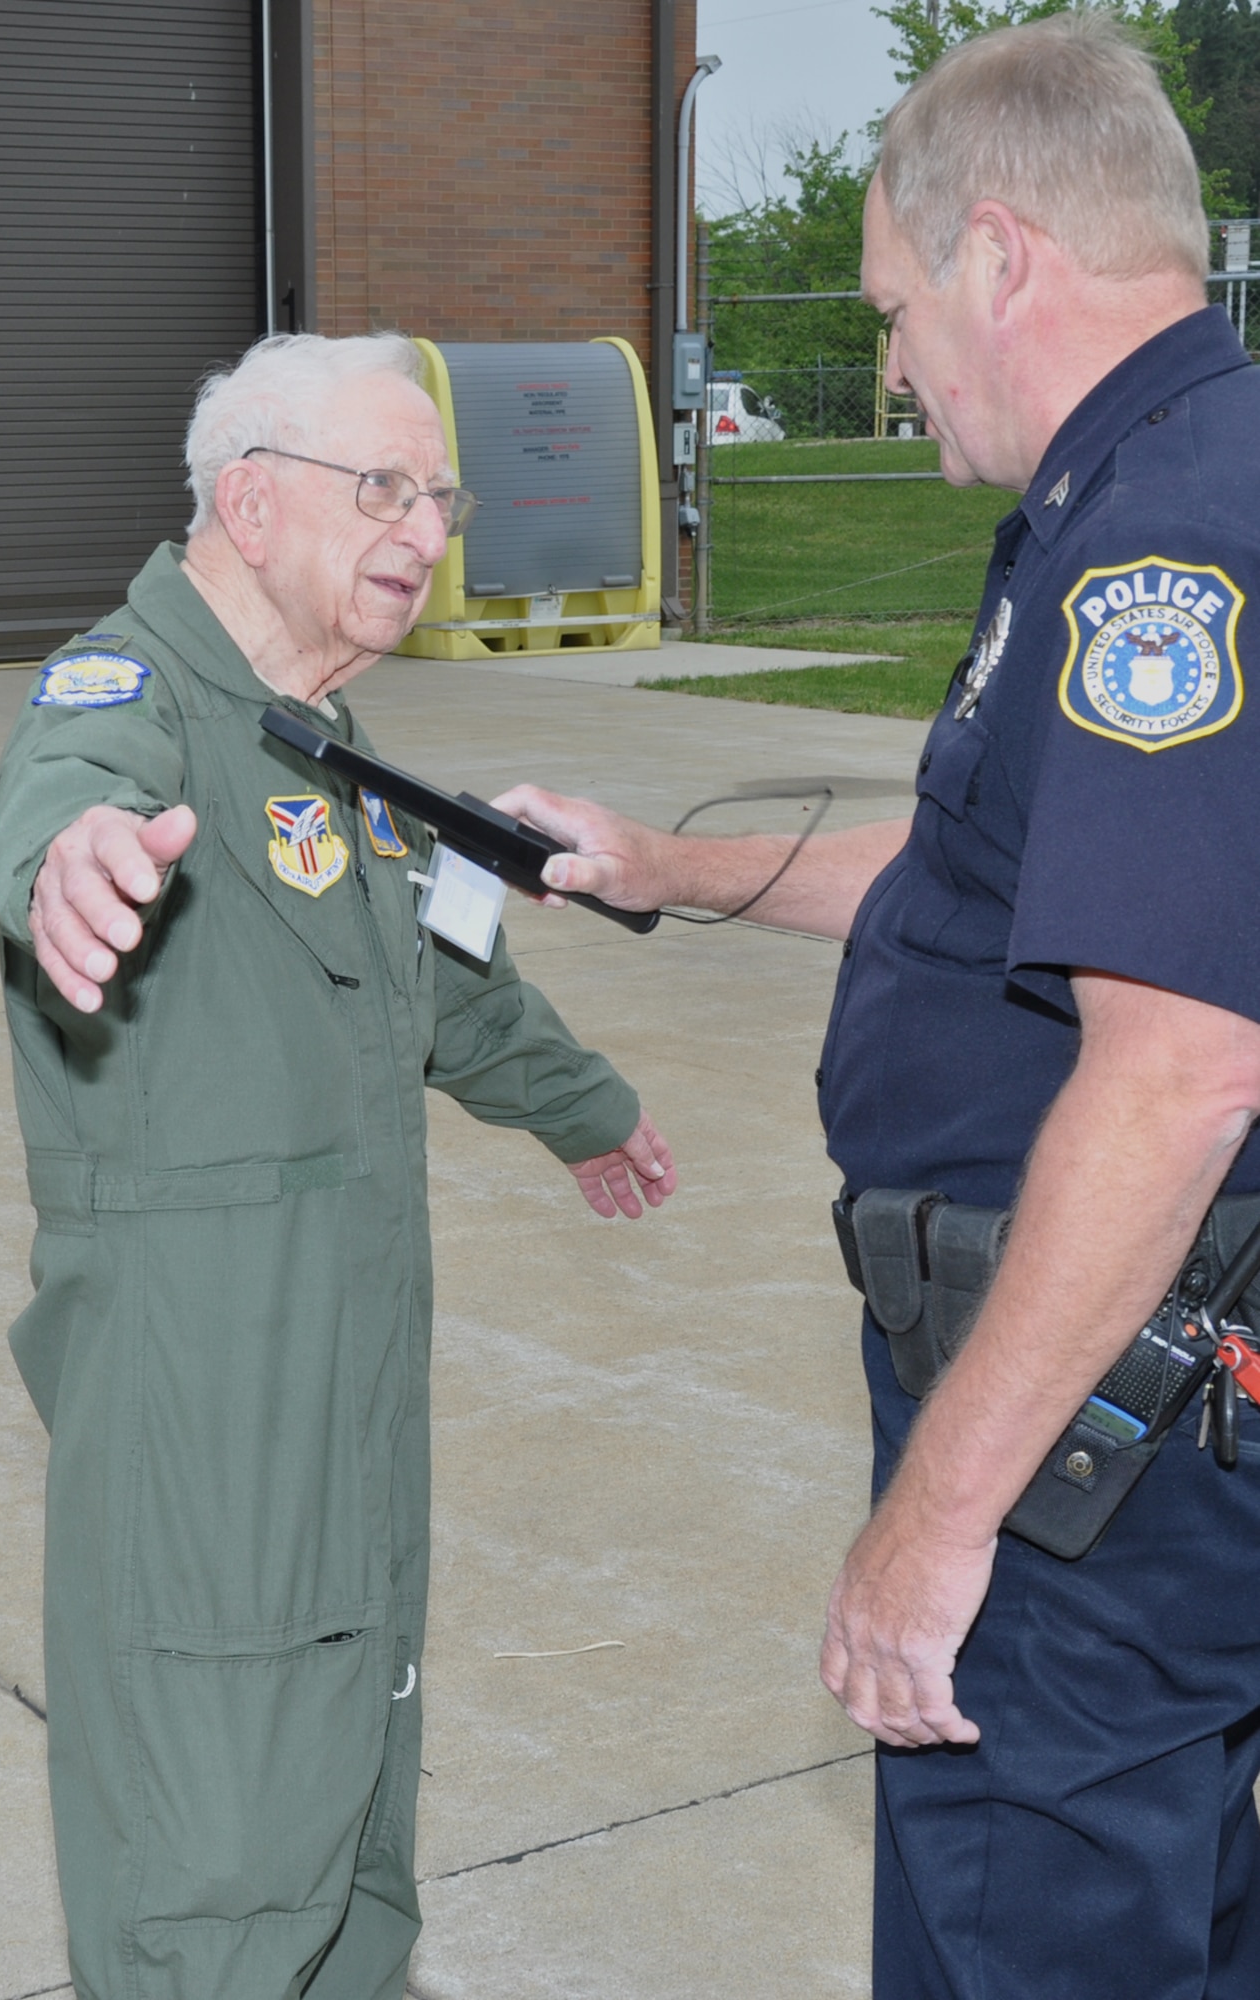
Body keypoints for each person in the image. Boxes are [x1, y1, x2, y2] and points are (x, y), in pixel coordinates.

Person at [492, 15, 1260, 1993]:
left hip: (1092, 1446)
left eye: (895, 303)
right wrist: (664, 865)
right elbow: (987, 901)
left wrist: (940, 1517)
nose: (891, 353)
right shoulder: (1132, 492)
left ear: (1002, 256)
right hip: (1137, 1412)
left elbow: (1171, 1070)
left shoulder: (1163, 552)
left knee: (1038, 1929)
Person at [0, 331, 675, 2000]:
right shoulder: (131, 698)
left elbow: (437, 977)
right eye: (382, 487)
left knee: (347, 1785)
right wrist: (67, 865)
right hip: (207, 1373)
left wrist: (580, 1104)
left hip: (347, 1361)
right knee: (214, 1822)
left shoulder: (323, 745)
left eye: (437, 495)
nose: (426, 527)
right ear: (249, 501)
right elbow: (69, 802)